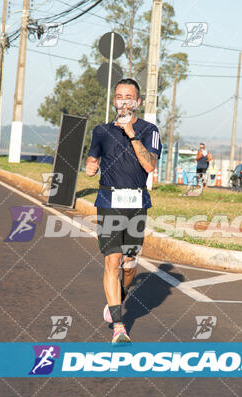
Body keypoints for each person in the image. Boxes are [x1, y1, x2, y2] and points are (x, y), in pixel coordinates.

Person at [85, 78, 161, 344]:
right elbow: (92, 159)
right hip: (108, 202)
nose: (124, 101)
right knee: (112, 261)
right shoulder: (101, 131)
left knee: (130, 266)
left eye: (129, 97)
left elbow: (150, 166)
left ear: (137, 102)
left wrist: (131, 133)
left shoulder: (149, 130)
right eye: (119, 96)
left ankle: (117, 297)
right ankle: (119, 326)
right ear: (114, 101)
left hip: (137, 205)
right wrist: (90, 166)